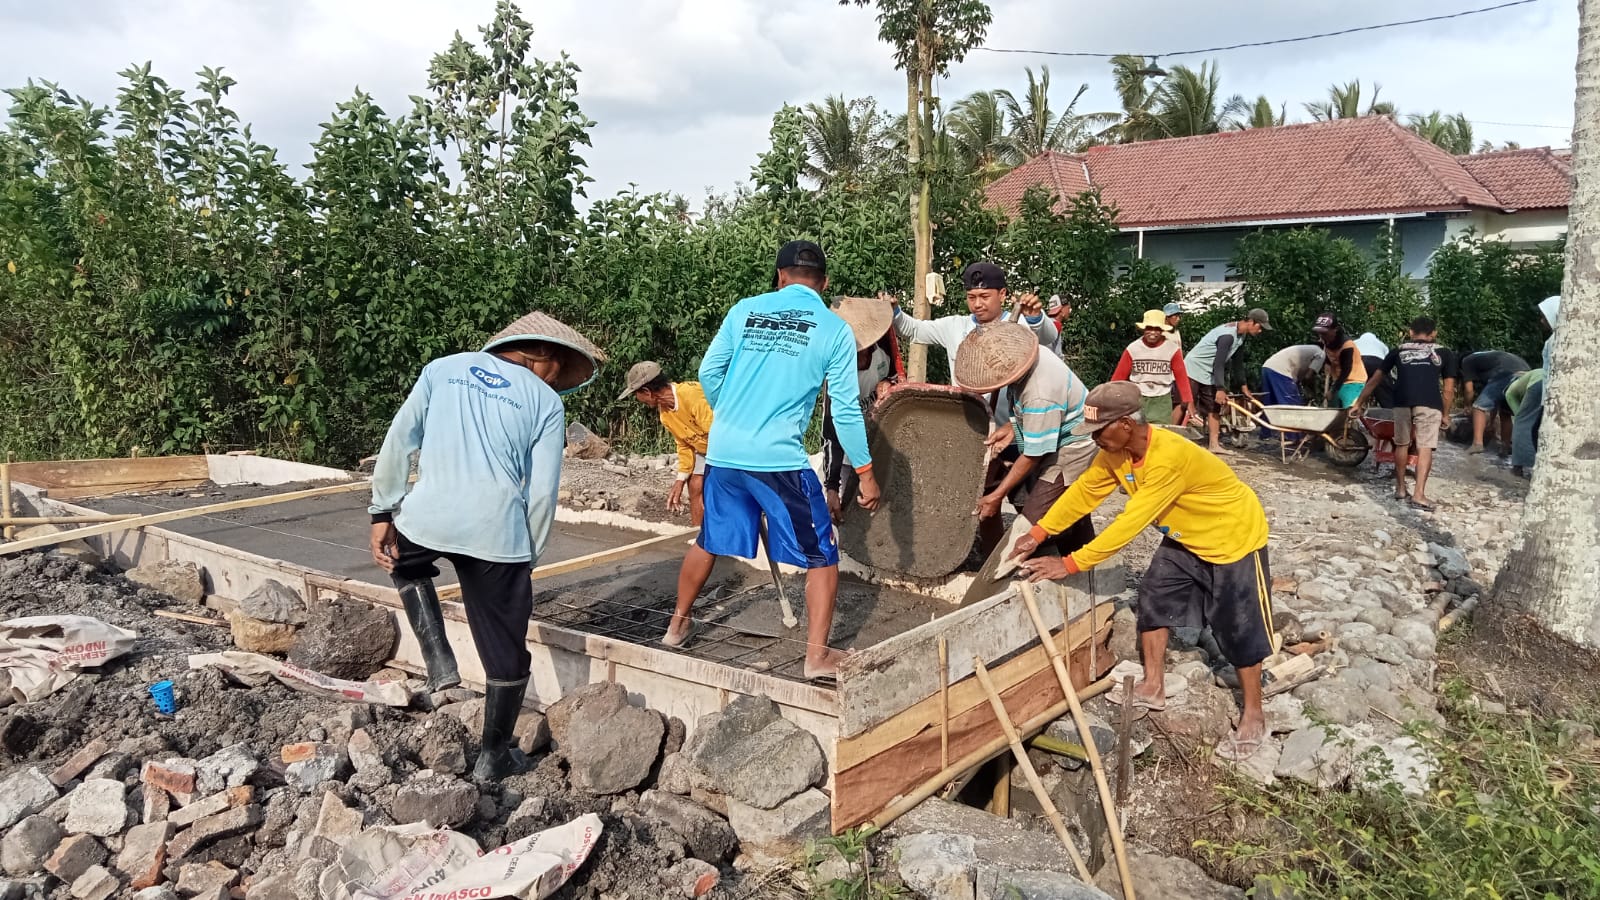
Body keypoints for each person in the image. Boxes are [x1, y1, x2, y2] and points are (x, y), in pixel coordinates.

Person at [369, 311, 604, 780]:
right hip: (496, 534)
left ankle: (439, 662)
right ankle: (493, 757)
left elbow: (400, 440)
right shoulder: (545, 402)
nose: (557, 381)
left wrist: (381, 511)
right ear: (547, 359)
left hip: (426, 519)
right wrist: (528, 555)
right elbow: (541, 492)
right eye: (559, 372)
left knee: (401, 559)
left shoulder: (441, 369)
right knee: (505, 651)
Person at [1006, 381, 1274, 761]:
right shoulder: (1114, 454)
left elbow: (1128, 525)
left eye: (1100, 431)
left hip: (1231, 537)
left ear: (1127, 424)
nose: (1095, 438)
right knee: (1154, 598)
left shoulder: (1168, 458)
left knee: (1238, 624)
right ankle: (1153, 684)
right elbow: (1084, 494)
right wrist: (1037, 533)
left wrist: (1069, 564)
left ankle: (1253, 712)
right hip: (1184, 534)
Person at [667, 240, 881, 679]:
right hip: (778, 460)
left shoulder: (744, 310)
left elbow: (709, 373)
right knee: (822, 554)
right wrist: (865, 472)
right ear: (823, 284)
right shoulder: (834, 329)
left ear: (780, 276)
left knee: (710, 539)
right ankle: (817, 657)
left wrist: (735, 415)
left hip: (724, 454)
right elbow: (843, 410)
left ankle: (676, 626)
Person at [958, 321, 1096, 558]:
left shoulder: (1040, 393)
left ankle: (1073, 565)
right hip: (1055, 430)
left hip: (1074, 446)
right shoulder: (1032, 356)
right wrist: (1013, 426)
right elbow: (1033, 416)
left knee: (1034, 520)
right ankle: (1077, 560)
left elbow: (1034, 454)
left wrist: (997, 495)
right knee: (1070, 507)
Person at [893, 261, 1058, 403]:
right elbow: (914, 330)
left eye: (984, 296)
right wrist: (893, 311)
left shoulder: (1020, 323)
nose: (977, 304)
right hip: (970, 427)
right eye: (972, 297)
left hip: (1012, 429)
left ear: (1002, 295)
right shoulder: (954, 326)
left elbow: (1049, 337)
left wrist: (1036, 318)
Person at [1352, 316, 1457, 510]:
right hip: (1430, 403)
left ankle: (1400, 489)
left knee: (1401, 443)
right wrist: (1446, 414)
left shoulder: (1397, 351)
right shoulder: (1444, 352)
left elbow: (1375, 379)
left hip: (1400, 402)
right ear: (1434, 333)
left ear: (1410, 333)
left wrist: (1359, 402)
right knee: (1425, 446)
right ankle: (1419, 495)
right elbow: (1449, 389)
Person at [823, 296, 899, 519]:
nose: (861, 355)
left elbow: (894, 376)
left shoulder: (880, 354)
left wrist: (888, 384)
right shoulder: (836, 376)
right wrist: (832, 487)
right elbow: (831, 433)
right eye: (855, 352)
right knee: (846, 510)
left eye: (865, 350)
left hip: (880, 442)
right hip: (850, 456)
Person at [619, 361, 713, 526]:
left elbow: (718, 435)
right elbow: (684, 445)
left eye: (636, 394)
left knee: (721, 489)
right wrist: (680, 479)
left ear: (647, 392)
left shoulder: (693, 396)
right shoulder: (665, 414)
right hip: (704, 447)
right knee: (695, 485)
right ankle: (698, 535)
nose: (638, 399)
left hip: (727, 445)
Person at [1184, 308, 1273, 453]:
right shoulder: (1227, 336)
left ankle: (1214, 445)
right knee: (1184, 405)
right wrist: (1220, 388)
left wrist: (1244, 387)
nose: (1260, 331)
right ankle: (1173, 438)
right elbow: (1219, 363)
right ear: (1251, 322)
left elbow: (1237, 363)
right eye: (1260, 326)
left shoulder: (1241, 336)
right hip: (1194, 367)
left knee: (1215, 407)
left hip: (1209, 371)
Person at [1110, 309, 1192, 425]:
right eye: (1149, 328)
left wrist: (1187, 399)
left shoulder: (1172, 349)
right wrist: (1112, 396)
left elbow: (1181, 376)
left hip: (1162, 397)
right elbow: (1119, 376)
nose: (1152, 332)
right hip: (1138, 395)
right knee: (1137, 429)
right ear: (1144, 329)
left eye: (1157, 329)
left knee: (1160, 431)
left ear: (1162, 330)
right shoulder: (1133, 348)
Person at [1511, 295, 1561, 478]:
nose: (1541, 321)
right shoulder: (1558, 338)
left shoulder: (1556, 340)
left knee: (1530, 427)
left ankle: (1529, 466)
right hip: (1546, 391)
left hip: (1548, 392)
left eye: (1543, 316)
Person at [1458, 349, 1530, 456]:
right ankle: (1505, 447)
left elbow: (1469, 390)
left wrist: (1467, 406)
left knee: (1478, 407)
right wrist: (1491, 423)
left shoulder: (1466, 361)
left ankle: (1477, 444)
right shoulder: (1487, 357)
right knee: (1505, 412)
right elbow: (1494, 399)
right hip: (1527, 375)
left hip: (1507, 373)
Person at [1312, 314, 1368, 408]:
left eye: (1324, 333)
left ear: (1335, 330)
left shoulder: (1347, 345)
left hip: (1353, 380)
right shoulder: (1325, 341)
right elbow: (1329, 355)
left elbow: (1346, 371)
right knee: (1333, 407)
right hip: (1339, 380)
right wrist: (1328, 363)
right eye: (1320, 333)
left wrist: (1333, 390)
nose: (1322, 336)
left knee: (1347, 409)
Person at [1257, 344, 1326, 408]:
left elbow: (1303, 379)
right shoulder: (1322, 354)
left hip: (1267, 367)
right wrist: (1313, 393)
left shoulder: (1312, 350)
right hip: (1281, 370)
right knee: (1293, 406)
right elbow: (1308, 377)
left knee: (1271, 405)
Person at [1354, 332, 1394, 409]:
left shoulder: (1355, 342)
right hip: (1377, 363)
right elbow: (1387, 363)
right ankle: (1390, 411)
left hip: (1358, 362)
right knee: (1385, 392)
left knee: (1354, 388)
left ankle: (1351, 408)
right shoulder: (1382, 344)